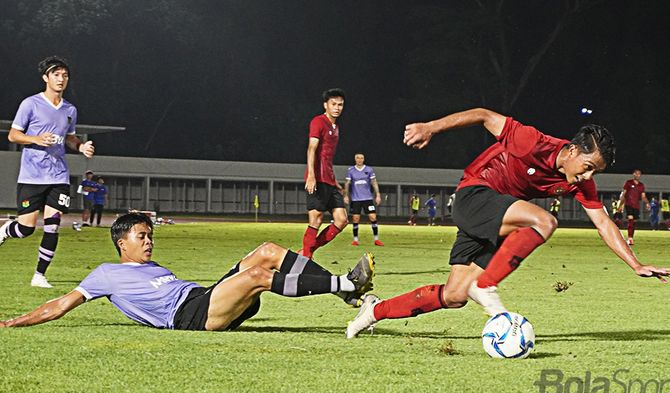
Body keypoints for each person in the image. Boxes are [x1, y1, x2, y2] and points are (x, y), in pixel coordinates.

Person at [346, 107, 670, 338]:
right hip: (475, 195)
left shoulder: (578, 182)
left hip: (496, 216)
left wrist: (635, 263)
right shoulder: (533, 141)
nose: (587, 176)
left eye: (594, 172)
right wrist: (431, 127)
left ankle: (374, 311)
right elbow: (484, 115)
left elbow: (603, 223)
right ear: (571, 150)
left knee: (455, 295)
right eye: (586, 166)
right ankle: (486, 285)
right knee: (544, 221)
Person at [0, 212, 375, 330]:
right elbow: (60, 304)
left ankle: (342, 290)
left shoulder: (155, 267)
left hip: (203, 297)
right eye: (141, 237)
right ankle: (345, 283)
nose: (149, 243)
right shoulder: (104, 274)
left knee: (268, 252)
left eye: (150, 236)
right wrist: (13, 322)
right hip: (190, 317)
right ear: (122, 243)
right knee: (257, 277)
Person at [0, 56, 96, 288]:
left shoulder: (70, 109)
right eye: (56, 74)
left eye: (64, 75)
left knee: (53, 225)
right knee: (26, 229)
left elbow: (70, 137)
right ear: (46, 78)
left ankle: (39, 276)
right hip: (32, 176)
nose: (61, 79)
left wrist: (80, 146)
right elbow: (13, 135)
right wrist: (36, 139)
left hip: (58, 176)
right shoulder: (30, 104)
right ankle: (5, 230)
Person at [300, 89, 348, 259]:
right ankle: (306, 258)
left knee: (342, 220)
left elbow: (327, 157)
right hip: (317, 179)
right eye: (333, 104)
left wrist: (335, 182)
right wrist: (311, 175)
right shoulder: (318, 122)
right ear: (325, 105)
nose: (337, 108)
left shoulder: (335, 127)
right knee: (316, 219)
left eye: (340, 104)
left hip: (329, 180)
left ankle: (308, 251)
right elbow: (312, 148)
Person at [344, 153, 384, 246]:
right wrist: (345, 195)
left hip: (368, 198)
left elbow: (374, 182)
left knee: (373, 217)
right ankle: (355, 240)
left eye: (361, 158)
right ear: (355, 159)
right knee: (355, 219)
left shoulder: (369, 169)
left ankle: (376, 239)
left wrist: (378, 195)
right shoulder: (351, 170)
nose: (359, 159)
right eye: (358, 158)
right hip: (356, 199)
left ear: (364, 159)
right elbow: (347, 183)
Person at [619, 169, 650, 246]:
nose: (638, 175)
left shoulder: (641, 185)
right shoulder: (629, 183)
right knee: (630, 219)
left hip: (636, 206)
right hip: (629, 204)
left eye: (639, 174)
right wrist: (621, 205)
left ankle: (631, 238)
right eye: (636, 174)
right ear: (633, 174)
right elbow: (624, 194)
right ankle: (630, 238)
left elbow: (643, 196)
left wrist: (647, 203)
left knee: (634, 223)